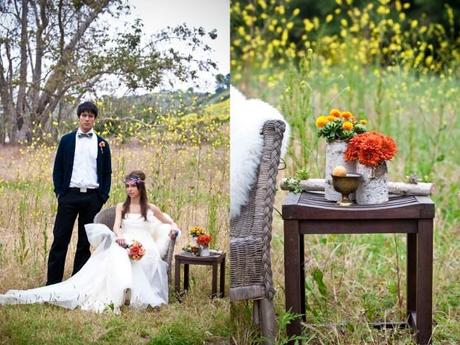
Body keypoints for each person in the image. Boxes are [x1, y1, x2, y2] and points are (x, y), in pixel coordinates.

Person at [0, 171, 180, 313]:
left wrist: (173, 228)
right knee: (117, 253)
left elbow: (167, 221)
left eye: (133, 186)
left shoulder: (150, 208)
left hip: (145, 243)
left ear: (141, 188)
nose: (130, 190)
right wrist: (120, 238)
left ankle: (131, 293)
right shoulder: (121, 207)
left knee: (139, 257)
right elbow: (117, 227)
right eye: (127, 186)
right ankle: (116, 292)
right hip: (126, 239)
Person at [47, 101, 112, 285]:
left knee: (84, 243)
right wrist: (60, 193)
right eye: (84, 115)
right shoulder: (66, 140)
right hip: (69, 197)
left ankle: (77, 283)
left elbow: (107, 173)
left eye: (90, 116)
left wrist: (102, 196)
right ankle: (52, 283)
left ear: (94, 119)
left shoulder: (102, 144)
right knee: (60, 239)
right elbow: (58, 169)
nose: (87, 119)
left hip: (92, 198)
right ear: (79, 117)